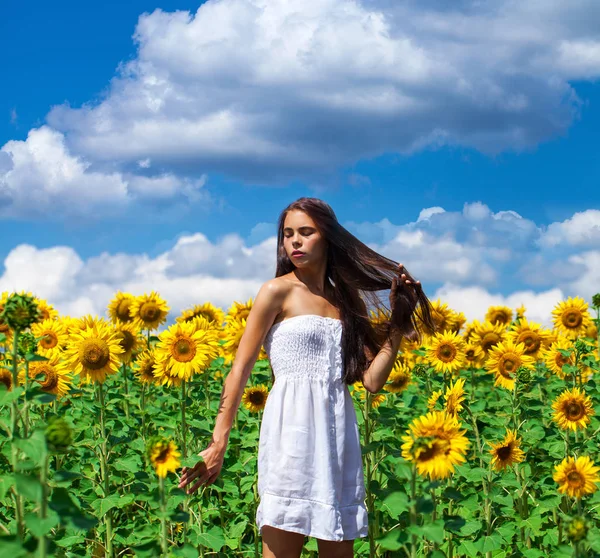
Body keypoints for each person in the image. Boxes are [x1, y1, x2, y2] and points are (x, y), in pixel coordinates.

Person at [178, 197, 435, 557]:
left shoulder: (346, 302)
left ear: (327, 237)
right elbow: (240, 369)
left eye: (305, 232)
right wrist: (219, 441)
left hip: (338, 439)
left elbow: (372, 381)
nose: (294, 241)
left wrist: (398, 323)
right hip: (291, 437)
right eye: (287, 234)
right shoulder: (276, 291)